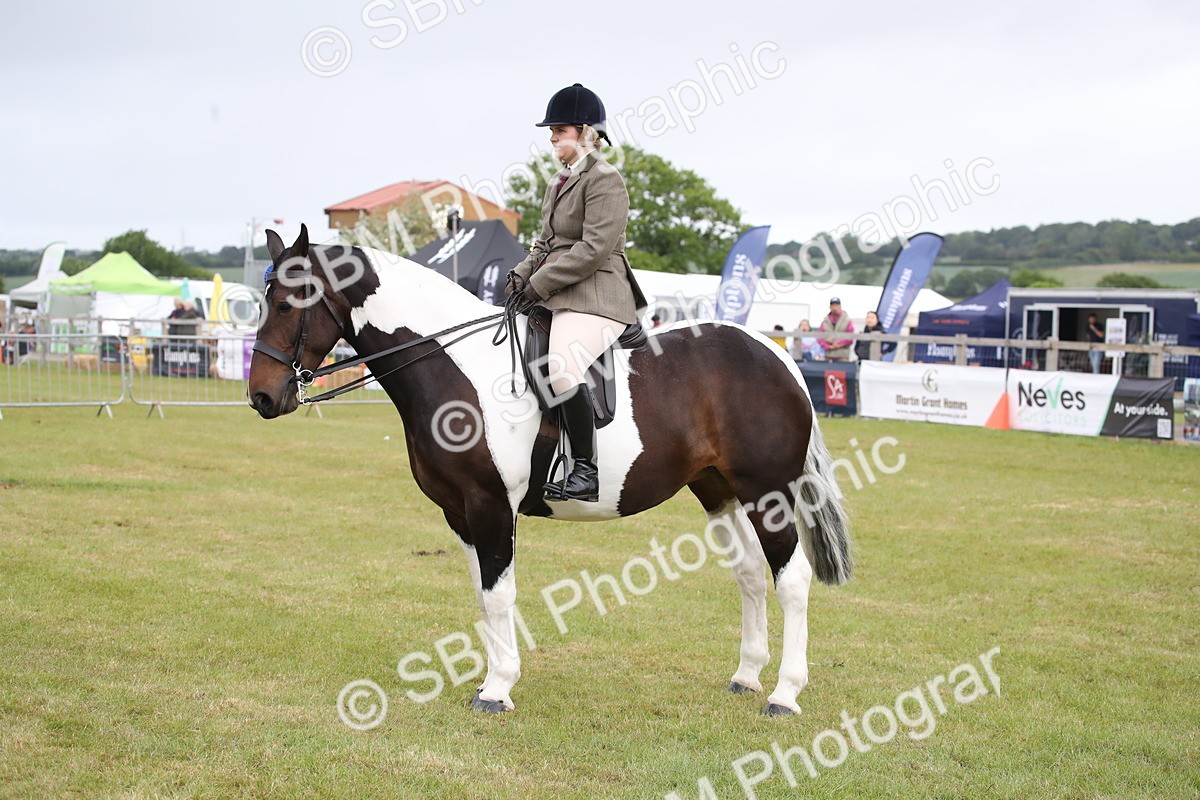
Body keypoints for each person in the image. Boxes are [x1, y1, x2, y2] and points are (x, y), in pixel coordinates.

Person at [506, 83, 648, 504]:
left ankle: (585, 470)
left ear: (585, 131)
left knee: (562, 365)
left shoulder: (606, 180)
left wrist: (539, 284)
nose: (551, 138)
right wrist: (519, 276)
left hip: (599, 293)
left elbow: (592, 250)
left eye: (558, 130)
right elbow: (545, 244)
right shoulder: (558, 181)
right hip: (563, 291)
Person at [818, 297, 855, 362]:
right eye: (833, 305)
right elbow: (819, 337)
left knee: (841, 372)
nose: (835, 307)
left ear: (840, 306)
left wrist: (836, 343)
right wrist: (828, 346)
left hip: (842, 357)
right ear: (830, 307)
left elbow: (850, 338)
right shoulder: (825, 321)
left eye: (837, 305)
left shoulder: (848, 320)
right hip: (828, 356)